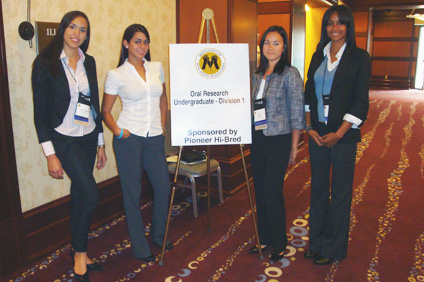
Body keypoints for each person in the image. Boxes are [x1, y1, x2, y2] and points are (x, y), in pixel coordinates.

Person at [32, 11, 106, 282]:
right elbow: (40, 113)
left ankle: (80, 249)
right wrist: (51, 154)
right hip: (64, 138)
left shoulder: (90, 62)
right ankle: (79, 254)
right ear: (63, 29)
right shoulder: (45, 63)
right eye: (73, 27)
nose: (77, 33)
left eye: (83, 30)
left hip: (87, 137)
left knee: (80, 195)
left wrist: (100, 143)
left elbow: (94, 104)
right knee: (92, 193)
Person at [303, 4, 371, 265]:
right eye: (330, 23)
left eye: (340, 23)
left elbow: (360, 103)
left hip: (343, 136)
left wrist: (339, 133)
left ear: (348, 26)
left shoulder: (359, 57)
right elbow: (309, 95)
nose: (335, 28)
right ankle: (316, 242)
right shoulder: (317, 56)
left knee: (340, 192)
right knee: (318, 189)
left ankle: (332, 249)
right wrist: (309, 128)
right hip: (317, 135)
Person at [101, 24, 172, 262]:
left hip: (154, 137)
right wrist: (118, 132)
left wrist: (161, 126)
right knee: (133, 193)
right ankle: (140, 247)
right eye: (137, 41)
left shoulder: (156, 68)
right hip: (129, 139)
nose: (142, 46)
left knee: (163, 187)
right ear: (126, 44)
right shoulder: (116, 74)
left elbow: (163, 98)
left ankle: (159, 235)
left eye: (145, 42)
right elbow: (106, 111)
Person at [249, 25, 305, 261]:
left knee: (273, 192)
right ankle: (264, 238)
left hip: (279, 141)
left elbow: (297, 113)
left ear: (284, 47)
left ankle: (280, 242)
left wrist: (294, 146)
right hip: (257, 139)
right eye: (267, 43)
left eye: (276, 43)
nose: (270, 47)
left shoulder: (290, 74)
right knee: (260, 191)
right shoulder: (255, 75)